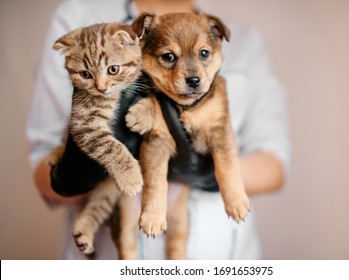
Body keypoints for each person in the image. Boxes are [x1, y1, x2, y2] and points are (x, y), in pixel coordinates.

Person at [27, 0, 290, 259]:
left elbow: (275, 164)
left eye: (204, 54)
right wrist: (68, 176)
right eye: (168, 57)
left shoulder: (245, 38)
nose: (192, 73)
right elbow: (42, 152)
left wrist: (209, 173)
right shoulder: (80, 16)